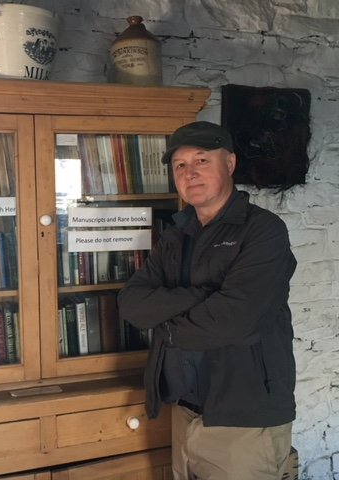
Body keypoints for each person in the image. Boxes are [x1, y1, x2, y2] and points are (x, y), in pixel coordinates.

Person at [118, 121, 296, 480]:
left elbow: (233, 320)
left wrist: (164, 322)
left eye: (201, 160)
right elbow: (132, 304)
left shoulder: (264, 230)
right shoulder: (176, 234)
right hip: (183, 412)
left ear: (229, 163)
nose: (190, 173)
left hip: (242, 421)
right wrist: (205, 296)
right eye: (180, 165)